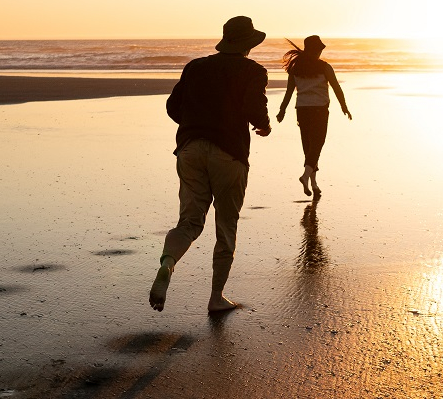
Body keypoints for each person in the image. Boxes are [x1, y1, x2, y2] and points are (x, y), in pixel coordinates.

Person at [149, 16, 272, 313]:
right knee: (226, 225)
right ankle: (216, 298)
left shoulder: (195, 67)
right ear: (248, 45)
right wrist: (264, 126)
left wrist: (196, 125)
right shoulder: (253, 70)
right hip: (229, 153)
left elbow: (172, 107)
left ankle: (168, 263)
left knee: (189, 222)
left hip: (190, 149)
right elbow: (253, 107)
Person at [276, 35, 350, 198]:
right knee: (317, 144)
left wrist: (282, 110)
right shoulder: (324, 67)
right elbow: (337, 88)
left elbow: (289, 92)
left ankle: (313, 184)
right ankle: (305, 176)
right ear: (314, 50)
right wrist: (344, 106)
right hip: (319, 110)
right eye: (318, 50)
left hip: (302, 110)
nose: (319, 53)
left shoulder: (296, 68)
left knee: (308, 147)